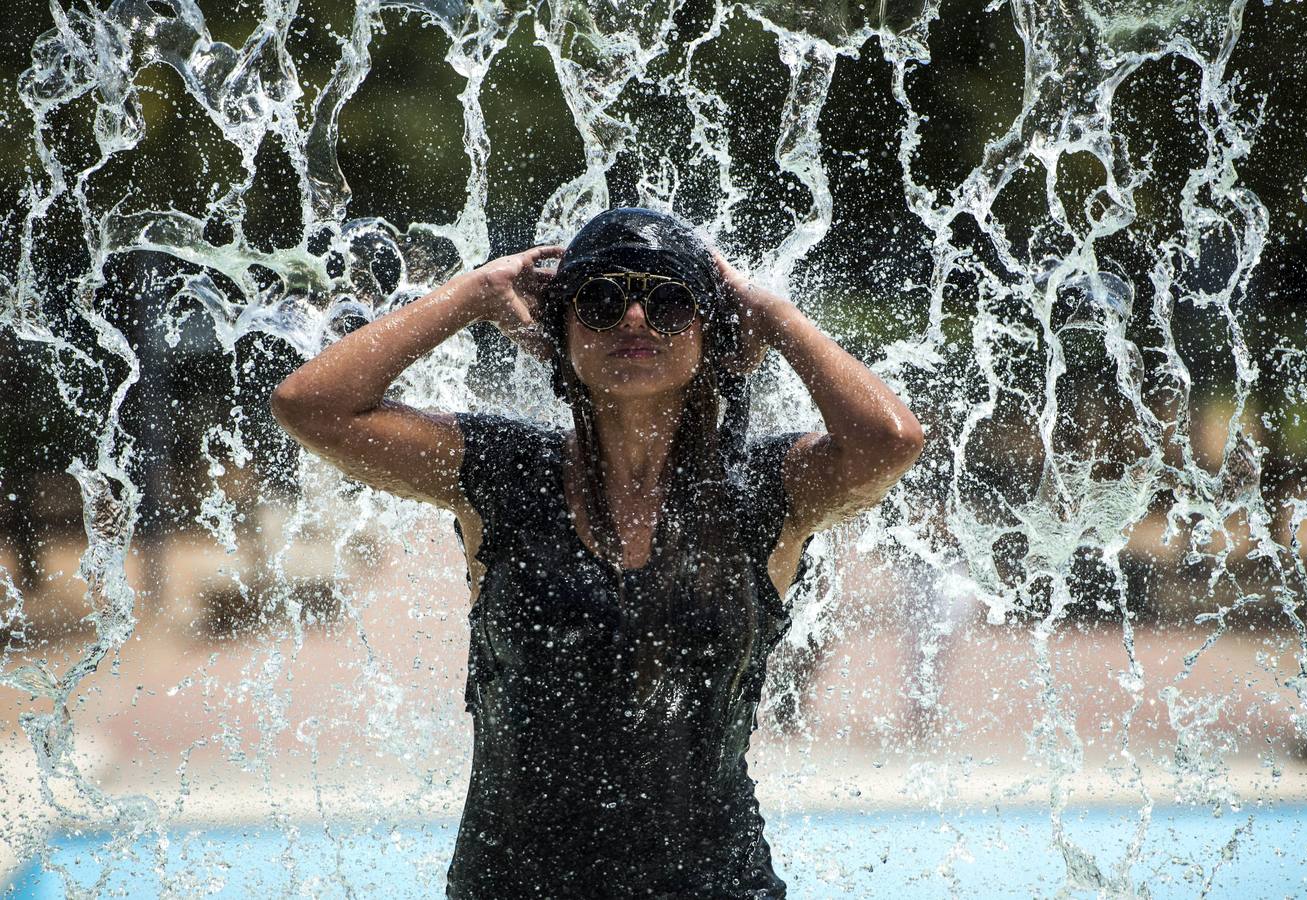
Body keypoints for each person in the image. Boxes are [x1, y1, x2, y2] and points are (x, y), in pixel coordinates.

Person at [270, 208, 924, 899]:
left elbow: (891, 440)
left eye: (671, 300)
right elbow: (311, 406)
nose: (636, 318)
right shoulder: (503, 472)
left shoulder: (757, 491)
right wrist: (478, 293)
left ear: (711, 327)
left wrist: (769, 312)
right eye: (602, 301)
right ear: (559, 330)